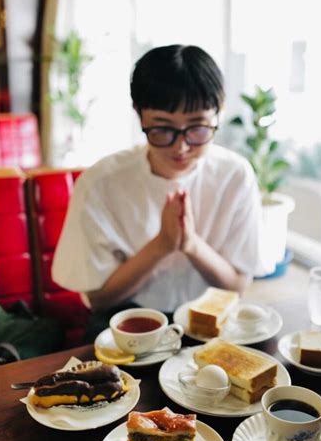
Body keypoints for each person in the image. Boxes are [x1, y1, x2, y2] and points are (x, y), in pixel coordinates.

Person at [52, 44, 266, 333]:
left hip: (211, 319)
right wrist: (161, 246)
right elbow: (99, 299)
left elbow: (237, 287)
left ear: (219, 112)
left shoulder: (235, 176)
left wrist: (191, 245)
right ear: (139, 115)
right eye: (162, 129)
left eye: (198, 128)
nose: (181, 146)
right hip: (124, 320)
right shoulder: (101, 183)